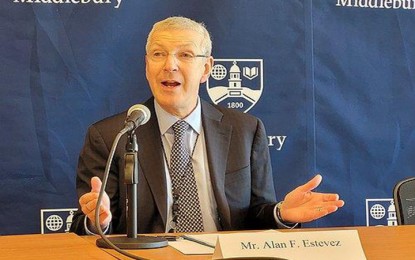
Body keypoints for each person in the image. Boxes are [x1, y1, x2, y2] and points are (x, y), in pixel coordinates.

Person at [70, 16, 344, 235]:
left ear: (206, 68)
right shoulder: (110, 136)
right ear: (146, 65)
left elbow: (257, 214)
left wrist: (281, 213)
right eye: (158, 54)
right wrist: (98, 221)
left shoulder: (245, 130)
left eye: (185, 55)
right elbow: (89, 224)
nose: (170, 65)